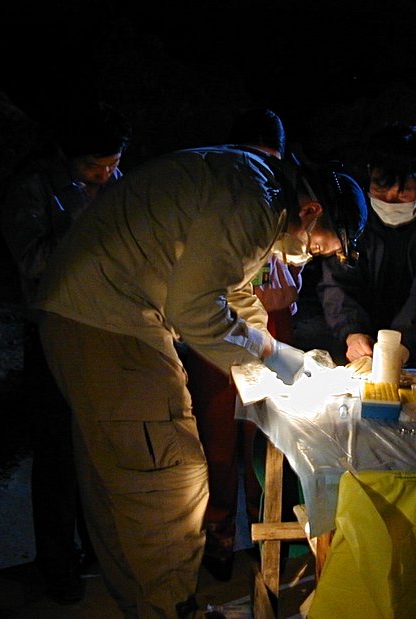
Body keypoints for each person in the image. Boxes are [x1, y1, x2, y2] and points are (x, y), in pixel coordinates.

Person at [31, 143, 367, 618]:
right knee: (170, 477)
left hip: (86, 312)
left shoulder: (254, 185)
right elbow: (195, 311)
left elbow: (230, 289)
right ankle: (170, 606)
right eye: (317, 248)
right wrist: (272, 358)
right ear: (311, 211)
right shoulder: (255, 204)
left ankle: (143, 603)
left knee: (120, 475)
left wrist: (270, 352)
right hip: (112, 322)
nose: (306, 259)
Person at [0, 100, 131, 605]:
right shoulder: (35, 189)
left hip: (107, 330)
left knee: (99, 444)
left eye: (112, 164)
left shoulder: (118, 185)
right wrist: (89, 234)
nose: (104, 175)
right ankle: (57, 561)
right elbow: (32, 259)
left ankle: (98, 546)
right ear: (67, 155)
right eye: (93, 166)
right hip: (53, 330)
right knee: (56, 449)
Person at [175, 108, 304, 581]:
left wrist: (290, 292)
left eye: (269, 159)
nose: (259, 169)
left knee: (266, 440)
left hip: (273, 323)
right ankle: (218, 539)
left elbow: (297, 265)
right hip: (214, 331)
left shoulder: (287, 201)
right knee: (216, 440)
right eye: (251, 157)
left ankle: (269, 534)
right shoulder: (218, 197)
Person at [318, 121, 416, 392]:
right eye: (381, 190)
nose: (390, 200)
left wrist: (400, 345)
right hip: (366, 340)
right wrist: (351, 331)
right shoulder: (354, 207)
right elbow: (337, 278)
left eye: (403, 193)